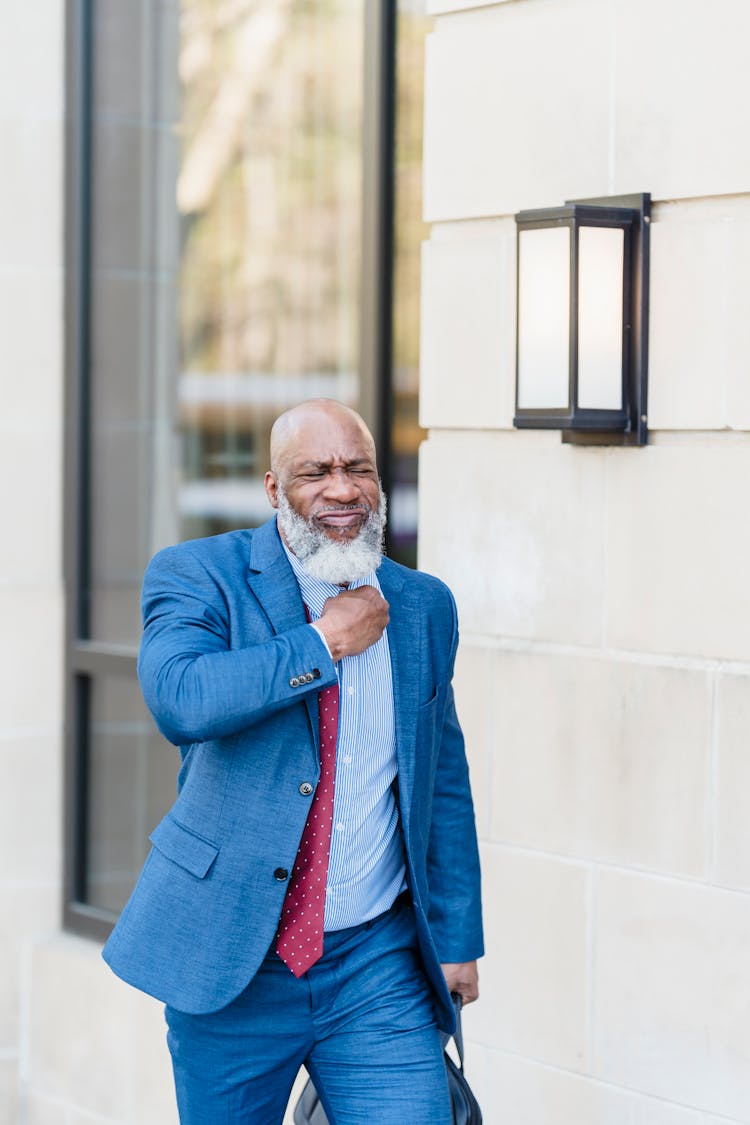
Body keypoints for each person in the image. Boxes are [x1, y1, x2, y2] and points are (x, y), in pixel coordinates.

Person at [103, 399, 483, 1124]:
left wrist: (459, 933)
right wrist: (323, 642)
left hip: (376, 962)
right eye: (316, 472)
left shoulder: (424, 605)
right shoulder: (198, 575)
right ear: (275, 488)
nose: (343, 489)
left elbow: (441, 777)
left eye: (359, 469)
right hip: (233, 962)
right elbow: (182, 699)